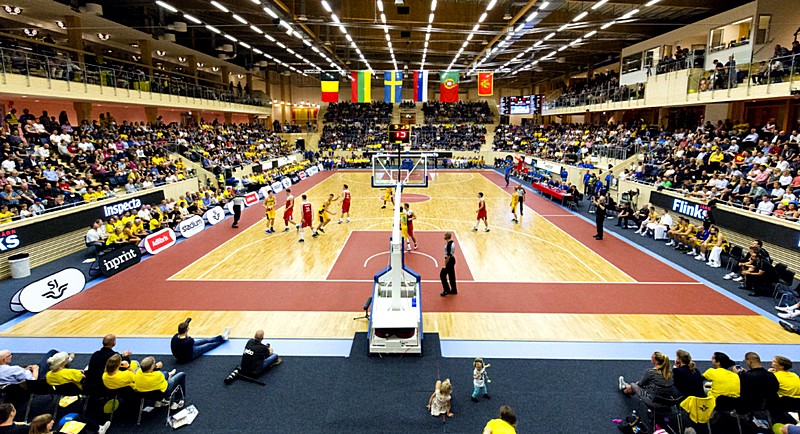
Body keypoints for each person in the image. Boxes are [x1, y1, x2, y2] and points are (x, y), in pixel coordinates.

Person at [440, 232, 457, 296]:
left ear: (447, 236)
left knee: (442, 274)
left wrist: (445, 264)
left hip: (449, 261)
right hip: (452, 260)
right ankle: (454, 289)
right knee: (451, 275)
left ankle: (446, 290)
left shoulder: (448, 245)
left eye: (445, 235)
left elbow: (448, 256)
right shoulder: (452, 243)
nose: (444, 236)